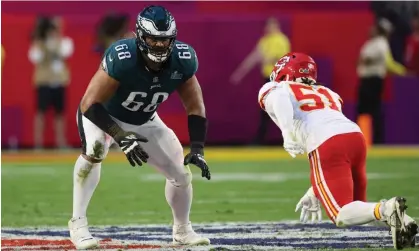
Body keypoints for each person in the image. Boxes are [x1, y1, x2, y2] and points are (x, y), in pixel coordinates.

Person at [69, 6, 211, 250]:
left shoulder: (183, 59)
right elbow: (89, 104)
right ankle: (78, 224)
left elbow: (195, 106)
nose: (158, 45)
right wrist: (121, 137)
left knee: (181, 174)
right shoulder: (122, 56)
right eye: (153, 39)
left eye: (164, 40)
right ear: (140, 36)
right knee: (95, 150)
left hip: (144, 118)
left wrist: (197, 148)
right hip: (102, 115)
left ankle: (182, 230)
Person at [258, 52, 418, 250]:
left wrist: (287, 133)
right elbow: (330, 125)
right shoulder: (327, 92)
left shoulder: (277, 87)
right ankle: (407, 223)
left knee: (341, 215)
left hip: (327, 142)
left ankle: (387, 208)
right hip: (355, 138)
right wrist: (316, 189)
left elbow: (281, 97)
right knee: (361, 209)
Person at [230, 17, 290, 145]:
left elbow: (283, 59)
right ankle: (261, 138)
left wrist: (267, 59)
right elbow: (254, 57)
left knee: (279, 109)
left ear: (276, 25)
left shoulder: (281, 40)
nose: (268, 28)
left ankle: (289, 138)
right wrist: (240, 73)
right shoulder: (265, 40)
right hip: (267, 79)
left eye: (271, 25)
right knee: (266, 109)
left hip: (279, 79)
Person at [356, 18, 406, 146]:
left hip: (373, 81)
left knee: (372, 110)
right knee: (363, 110)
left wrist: (403, 71)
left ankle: (376, 140)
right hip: (366, 80)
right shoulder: (372, 43)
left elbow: (368, 60)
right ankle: (362, 138)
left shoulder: (381, 44)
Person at [28, 16, 73, 149]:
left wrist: (57, 39)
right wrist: (39, 38)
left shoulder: (64, 42)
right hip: (44, 82)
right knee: (40, 113)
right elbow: (35, 57)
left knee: (60, 113)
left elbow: (66, 52)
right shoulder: (40, 44)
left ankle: (61, 142)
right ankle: (38, 143)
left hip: (59, 81)